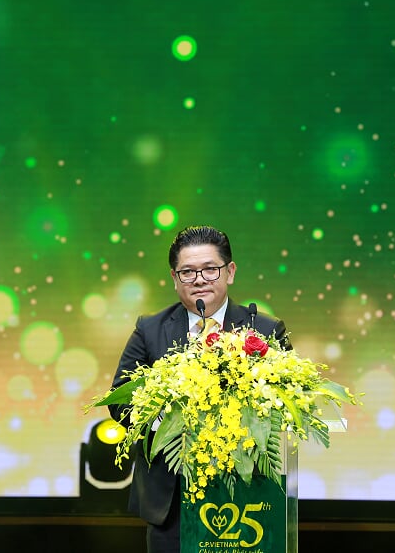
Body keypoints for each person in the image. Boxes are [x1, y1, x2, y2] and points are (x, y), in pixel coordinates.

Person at [108, 225, 290, 553]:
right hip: (171, 501)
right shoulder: (150, 330)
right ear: (175, 278)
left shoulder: (263, 329)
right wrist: (169, 420)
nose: (199, 279)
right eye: (188, 272)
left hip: (248, 497)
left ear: (229, 272)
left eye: (210, 269)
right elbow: (119, 400)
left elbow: (291, 398)